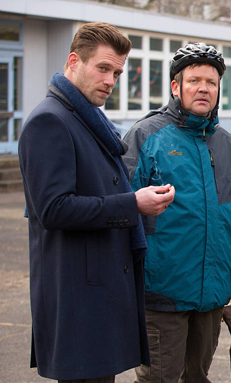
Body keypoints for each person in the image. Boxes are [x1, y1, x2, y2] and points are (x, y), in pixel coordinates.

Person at [18, 22, 175, 382]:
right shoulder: (50, 121)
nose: (111, 80)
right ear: (74, 62)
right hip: (77, 302)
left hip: (96, 296)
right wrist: (131, 204)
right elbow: (53, 209)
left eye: (117, 73)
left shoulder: (87, 120)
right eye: (103, 68)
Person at [122, 42, 231, 383]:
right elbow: (122, 211)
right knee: (159, 379)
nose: (203, 88)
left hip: (212, 293)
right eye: (194, 80)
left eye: (211, 82)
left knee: (197, 377)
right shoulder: (145, 136)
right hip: (161, 292)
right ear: (175, 87)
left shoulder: (230, 147)